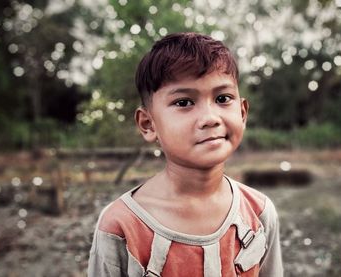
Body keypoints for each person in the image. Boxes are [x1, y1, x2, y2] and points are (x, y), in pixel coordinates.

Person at [88, 32, 283, 277]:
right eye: (184, 103)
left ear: (242, 113)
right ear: (148, 124)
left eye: (223, 98)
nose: (210, 118)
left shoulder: (259, 213)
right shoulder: (120, 227)